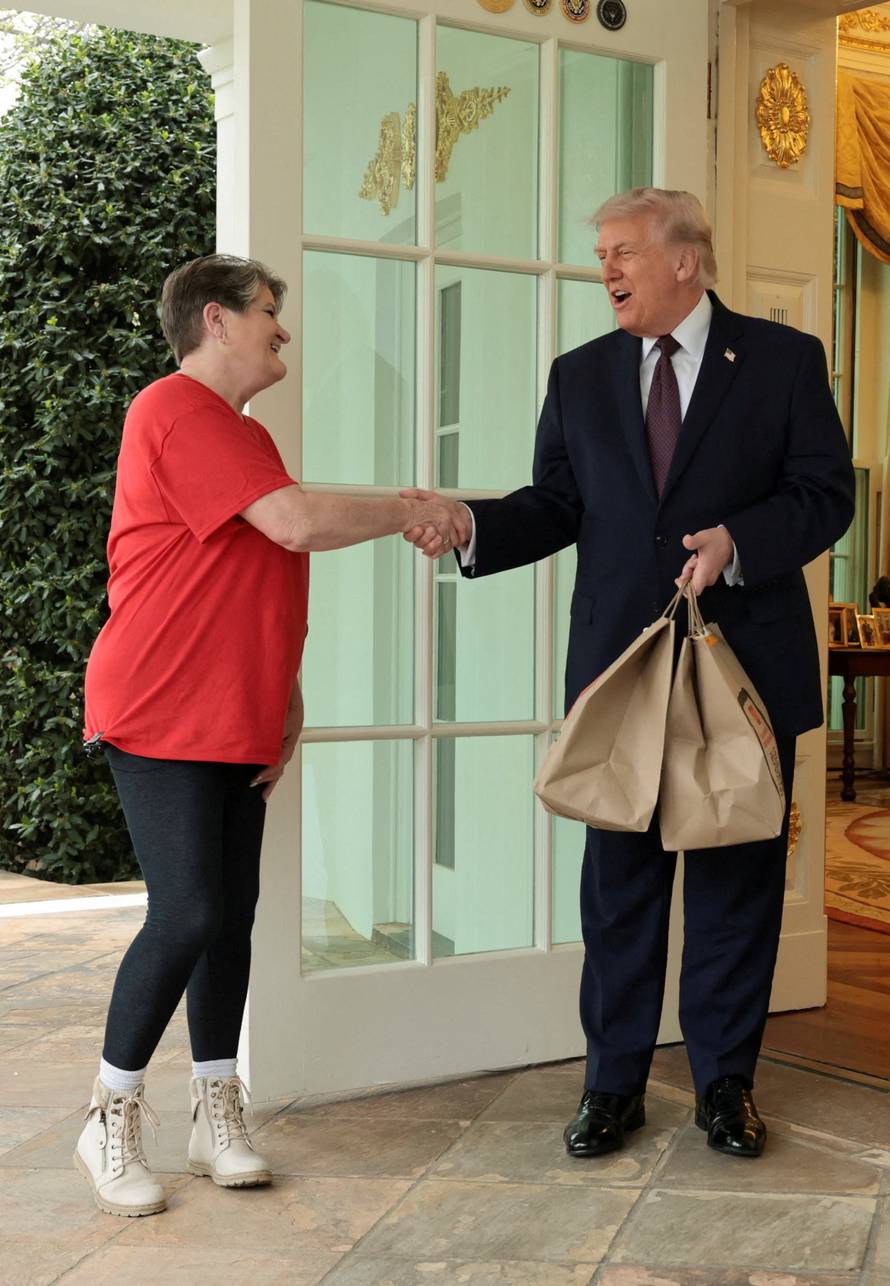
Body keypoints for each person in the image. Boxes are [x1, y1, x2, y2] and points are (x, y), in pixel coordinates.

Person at [404, 188, 854, 1160]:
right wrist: (474, 526)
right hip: (619, 679)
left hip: (741, 678)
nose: (603, 269)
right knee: (617, 889)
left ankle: (724, 1088)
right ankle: (610, 1087)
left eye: (621, 252)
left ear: (684, 259)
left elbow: (823, 495)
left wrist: (737, 541)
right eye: (599, 254)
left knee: (736, 887)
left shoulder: (780, 362)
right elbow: (554, 502)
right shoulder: (578, 378)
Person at [76, 254, 463, 1217]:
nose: (280, 333)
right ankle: (109, 1112)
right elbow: (291, 525)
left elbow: (251, 576)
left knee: (231, 918)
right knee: (188, 913)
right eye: (268, 316)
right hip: (162, 706)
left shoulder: (238, 433)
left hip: (234, 712)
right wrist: (417, 511)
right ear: (217, 321)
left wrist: (284, 696)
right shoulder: (171, 410)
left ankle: (215, 1109)